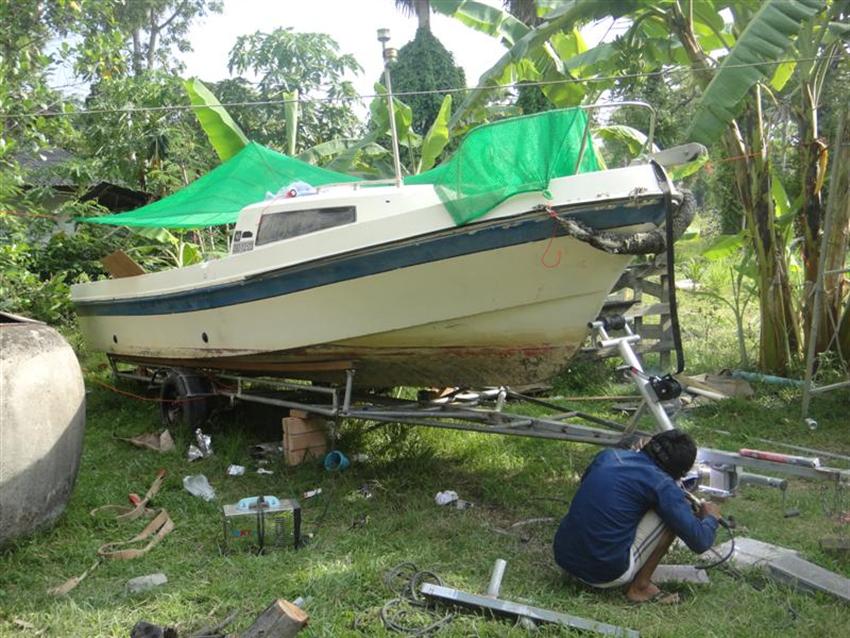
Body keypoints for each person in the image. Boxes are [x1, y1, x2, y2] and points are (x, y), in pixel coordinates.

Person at [553, 429, 720, 604]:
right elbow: (700, 542)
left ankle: (581, 564)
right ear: (680, 474)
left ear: (648, 443)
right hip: (604, 574)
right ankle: (640, 587)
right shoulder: (663, 484)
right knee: (673, 515)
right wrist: (710, 518)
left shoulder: (608, 456)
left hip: (564, 557)